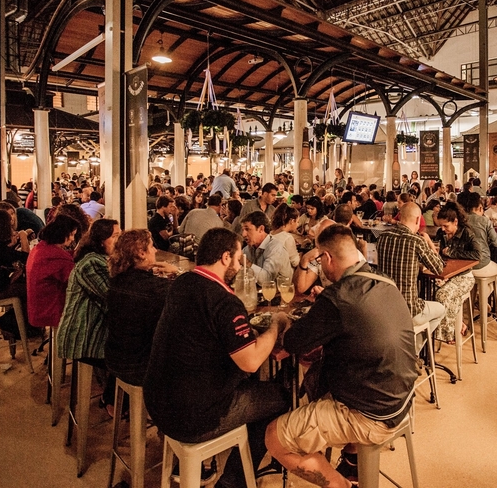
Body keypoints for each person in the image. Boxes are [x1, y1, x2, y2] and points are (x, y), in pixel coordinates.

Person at [265, 224, 416, 488]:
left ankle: (341, 485)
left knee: (274, 437)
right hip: (402, 398)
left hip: (371, 415)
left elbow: (293, 341)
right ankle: (351, 459)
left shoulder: (338, 297)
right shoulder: (383, 279)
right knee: (318, 370)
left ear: (327, 257)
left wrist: (279, 321)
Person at [144, 228, 291, 488]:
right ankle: (233, 481)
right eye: (237, 258)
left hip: (157, 402)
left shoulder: (182, 283)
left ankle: (207, 462)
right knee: (280, 398)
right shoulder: (224, 301)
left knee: (242, 382)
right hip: (191, 417)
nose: (239, 265)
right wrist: (277, 324)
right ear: (225, 257)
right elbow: (251, 362)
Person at [57, 219, 121, 414]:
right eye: (115, 236)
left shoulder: (102, 259)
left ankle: (117, 398)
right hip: (82, 335)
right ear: (101, 240)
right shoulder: (91, 263)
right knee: (134, 354)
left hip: (95, 327)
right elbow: (113, 298)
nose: (119, 241)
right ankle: (112, 400)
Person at [105, 229, 180, 386]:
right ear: (141, 253)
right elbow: (189, 296)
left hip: (114, 359)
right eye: (151, 246)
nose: (155, 250)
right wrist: (177, 274)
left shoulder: (116, 279)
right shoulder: (156, 289)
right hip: (141, 368)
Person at [376, 202, 446, 334]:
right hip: (408, 309)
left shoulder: (382, 237)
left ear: (400, 216)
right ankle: (416, 344)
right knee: (441, 309)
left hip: (385, 307)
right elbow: (439, 268)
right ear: (418, 219)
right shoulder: (416, 241)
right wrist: (429, 243)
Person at [432, 202, 484, 343]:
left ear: (455, 222)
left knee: (443, 295)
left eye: (446, 226)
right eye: (441, 226)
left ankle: (445, 335)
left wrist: (452, 252)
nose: (443, 229)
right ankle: (457, 326)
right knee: (428, 291)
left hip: (464, 276)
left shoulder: (467, 233)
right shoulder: (441, 234)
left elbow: (478, 255)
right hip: (445, 274)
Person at [25, 215, 81, 328]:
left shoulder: (40, 248)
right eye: (71, 234)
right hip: (52, 309)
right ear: (62, 233)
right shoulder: (56, 256)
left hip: (38, 307)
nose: (72, 239)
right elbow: (77, 280)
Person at [242, 211, 293, 284]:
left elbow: (267, 280)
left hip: (279, 290)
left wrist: (245, 263)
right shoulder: (249, 248)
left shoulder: (275, 248)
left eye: (247, 229)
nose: (243, 234)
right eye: (243, 230)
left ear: (261, 229)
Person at [269, 203, 301, 268]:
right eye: (297, 222)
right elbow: (295, 262)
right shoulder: (287, 238)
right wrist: (302, 254)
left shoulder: (270, 233)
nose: (298, 225)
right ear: (292, 221)